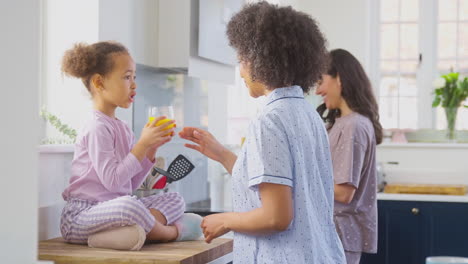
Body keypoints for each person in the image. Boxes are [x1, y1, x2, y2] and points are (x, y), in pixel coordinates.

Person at [179, 3, 346, 263]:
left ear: (258, 59)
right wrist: (222, 154)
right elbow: (280, 187)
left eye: (240, 61)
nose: (241, 72)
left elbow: (275, 217)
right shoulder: (307, 114)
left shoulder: (269, 121)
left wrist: (225, 220)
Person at [59, 41, 202, 251]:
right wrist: (142, 144)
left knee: (175, 199)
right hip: (82, 216)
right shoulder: (96, 126)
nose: (134, 84)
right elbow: (113, 181)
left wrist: (150, 149)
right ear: (99, 83)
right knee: (129, 206)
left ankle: (128, 234)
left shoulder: (123, 127)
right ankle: (171, 233)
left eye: (134, 77)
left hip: (114, 212)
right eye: (127, 77)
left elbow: (130, 184)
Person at [315, 49, 383, 264]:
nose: (317, 90)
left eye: (321, 81)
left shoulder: (353, 125)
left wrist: (301, 183)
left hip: (340, 234)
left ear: (340, 79)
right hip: (333, 233)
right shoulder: (340, 124)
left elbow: (344, 193)